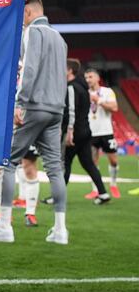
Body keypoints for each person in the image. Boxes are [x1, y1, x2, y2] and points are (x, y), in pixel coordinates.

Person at [0, 0, 69, 244]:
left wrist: (19, 103)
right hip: (55, 109)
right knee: (54, 168)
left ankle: (4, 226)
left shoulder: (32, 33)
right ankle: (60, 230)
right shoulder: (60, 39)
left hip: (33, 105)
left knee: (7, 162)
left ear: (27, 13)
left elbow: (29, 69)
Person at [63, 59, 110, 203]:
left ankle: (58, 196)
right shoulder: (83, 87)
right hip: (85, 130)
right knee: (88, 163)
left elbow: (71, 111)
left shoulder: (71, 87)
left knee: (64, 163)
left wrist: (69, 131)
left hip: (75, 131)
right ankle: (103, 193)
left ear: (70, 70)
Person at [84, 68, 121, 199]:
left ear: (98, 78)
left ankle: (113, 184)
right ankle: (95, 190)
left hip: (106, 132)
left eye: (90, 77)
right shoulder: (84, 93)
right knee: (92, 162)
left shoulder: (107, 91)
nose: (88, 80)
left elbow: (114, 108)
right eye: (86, 77)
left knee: (114, 161)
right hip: (91, 133)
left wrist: (98, 100)